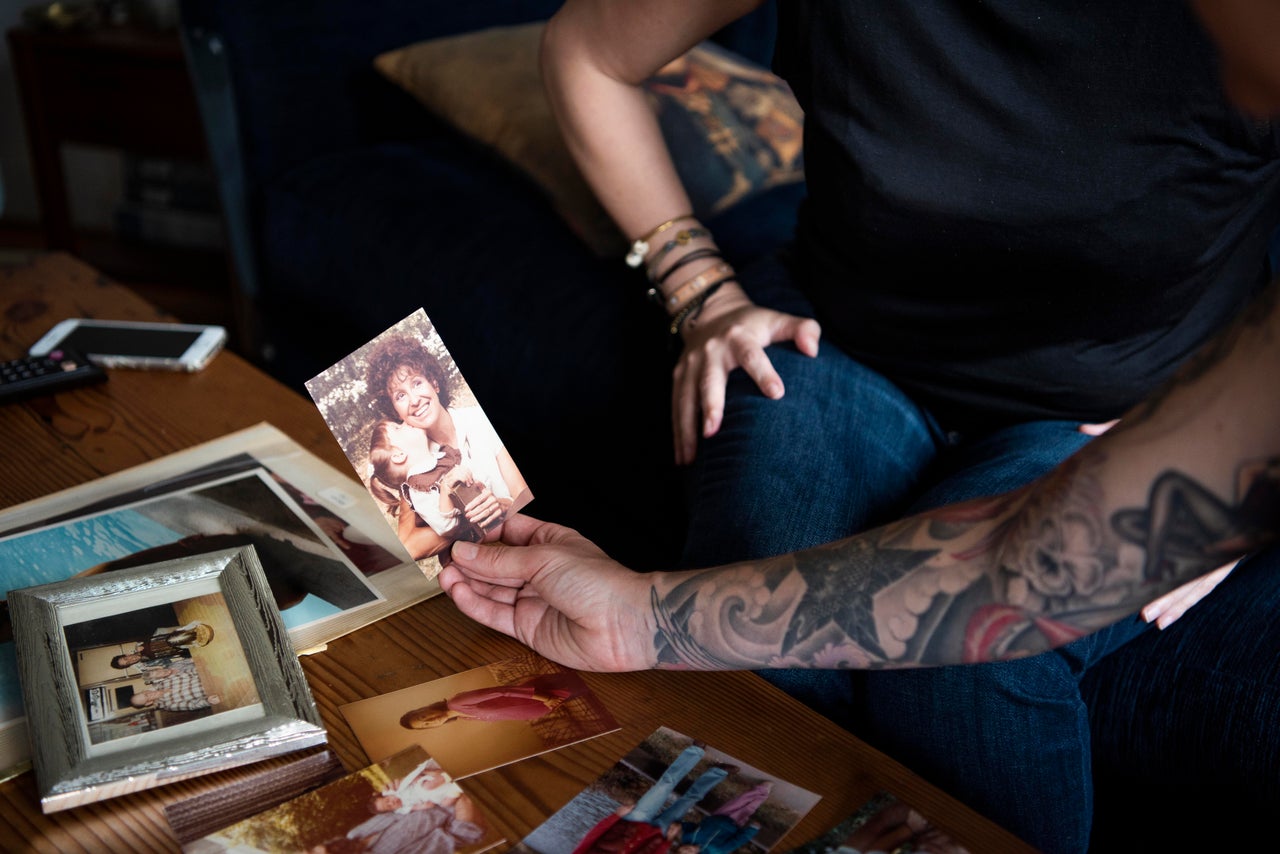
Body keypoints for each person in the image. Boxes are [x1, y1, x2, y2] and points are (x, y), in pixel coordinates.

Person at [439, 2, 1280, 851]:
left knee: (962, 671)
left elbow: (1007, 584)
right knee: (761, 596)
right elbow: (589, 52)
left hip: (1127, 407)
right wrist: (700, 288)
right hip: (841, 337)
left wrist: (1232, 464)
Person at [364, 335, 530, 560]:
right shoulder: (415, 469)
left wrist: (502, 506)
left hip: (524, 542)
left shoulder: (479, 419)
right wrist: (464, 520)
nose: (414, 400)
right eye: (400, 396)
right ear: (396, 411)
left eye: (417, 382)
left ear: (434, 382)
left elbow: (523, 492)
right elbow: (410, 545)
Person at [399, 671, 587, 728]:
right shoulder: (464, 717)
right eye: (426, 725)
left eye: (423, 717)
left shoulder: (457, 703)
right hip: (549, 704)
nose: (430, 721)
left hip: (550, 693)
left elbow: (503, 691)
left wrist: (545, 698)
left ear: (424, 708)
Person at [678, 779, 770, 854]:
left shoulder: (687, 837)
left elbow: (690, 826)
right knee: (749, 808)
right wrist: (752, 829)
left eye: (682, 852)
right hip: (734, 824)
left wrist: (680, 824)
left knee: (739, 801)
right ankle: (764, 793)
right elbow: (737, 841)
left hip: (717, 816)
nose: (686, 851)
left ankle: (760, 789)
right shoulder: (715, 851)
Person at [129, 662, 220, 712]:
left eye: (145, 693)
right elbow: (192, 705)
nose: (149, 693)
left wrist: (204, 668)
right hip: (216, 689)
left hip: (210, 675)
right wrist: (207, 701)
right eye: (147, 697)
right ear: (148, 703)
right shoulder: (168, 705)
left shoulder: (163, 682)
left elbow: (189, 673)